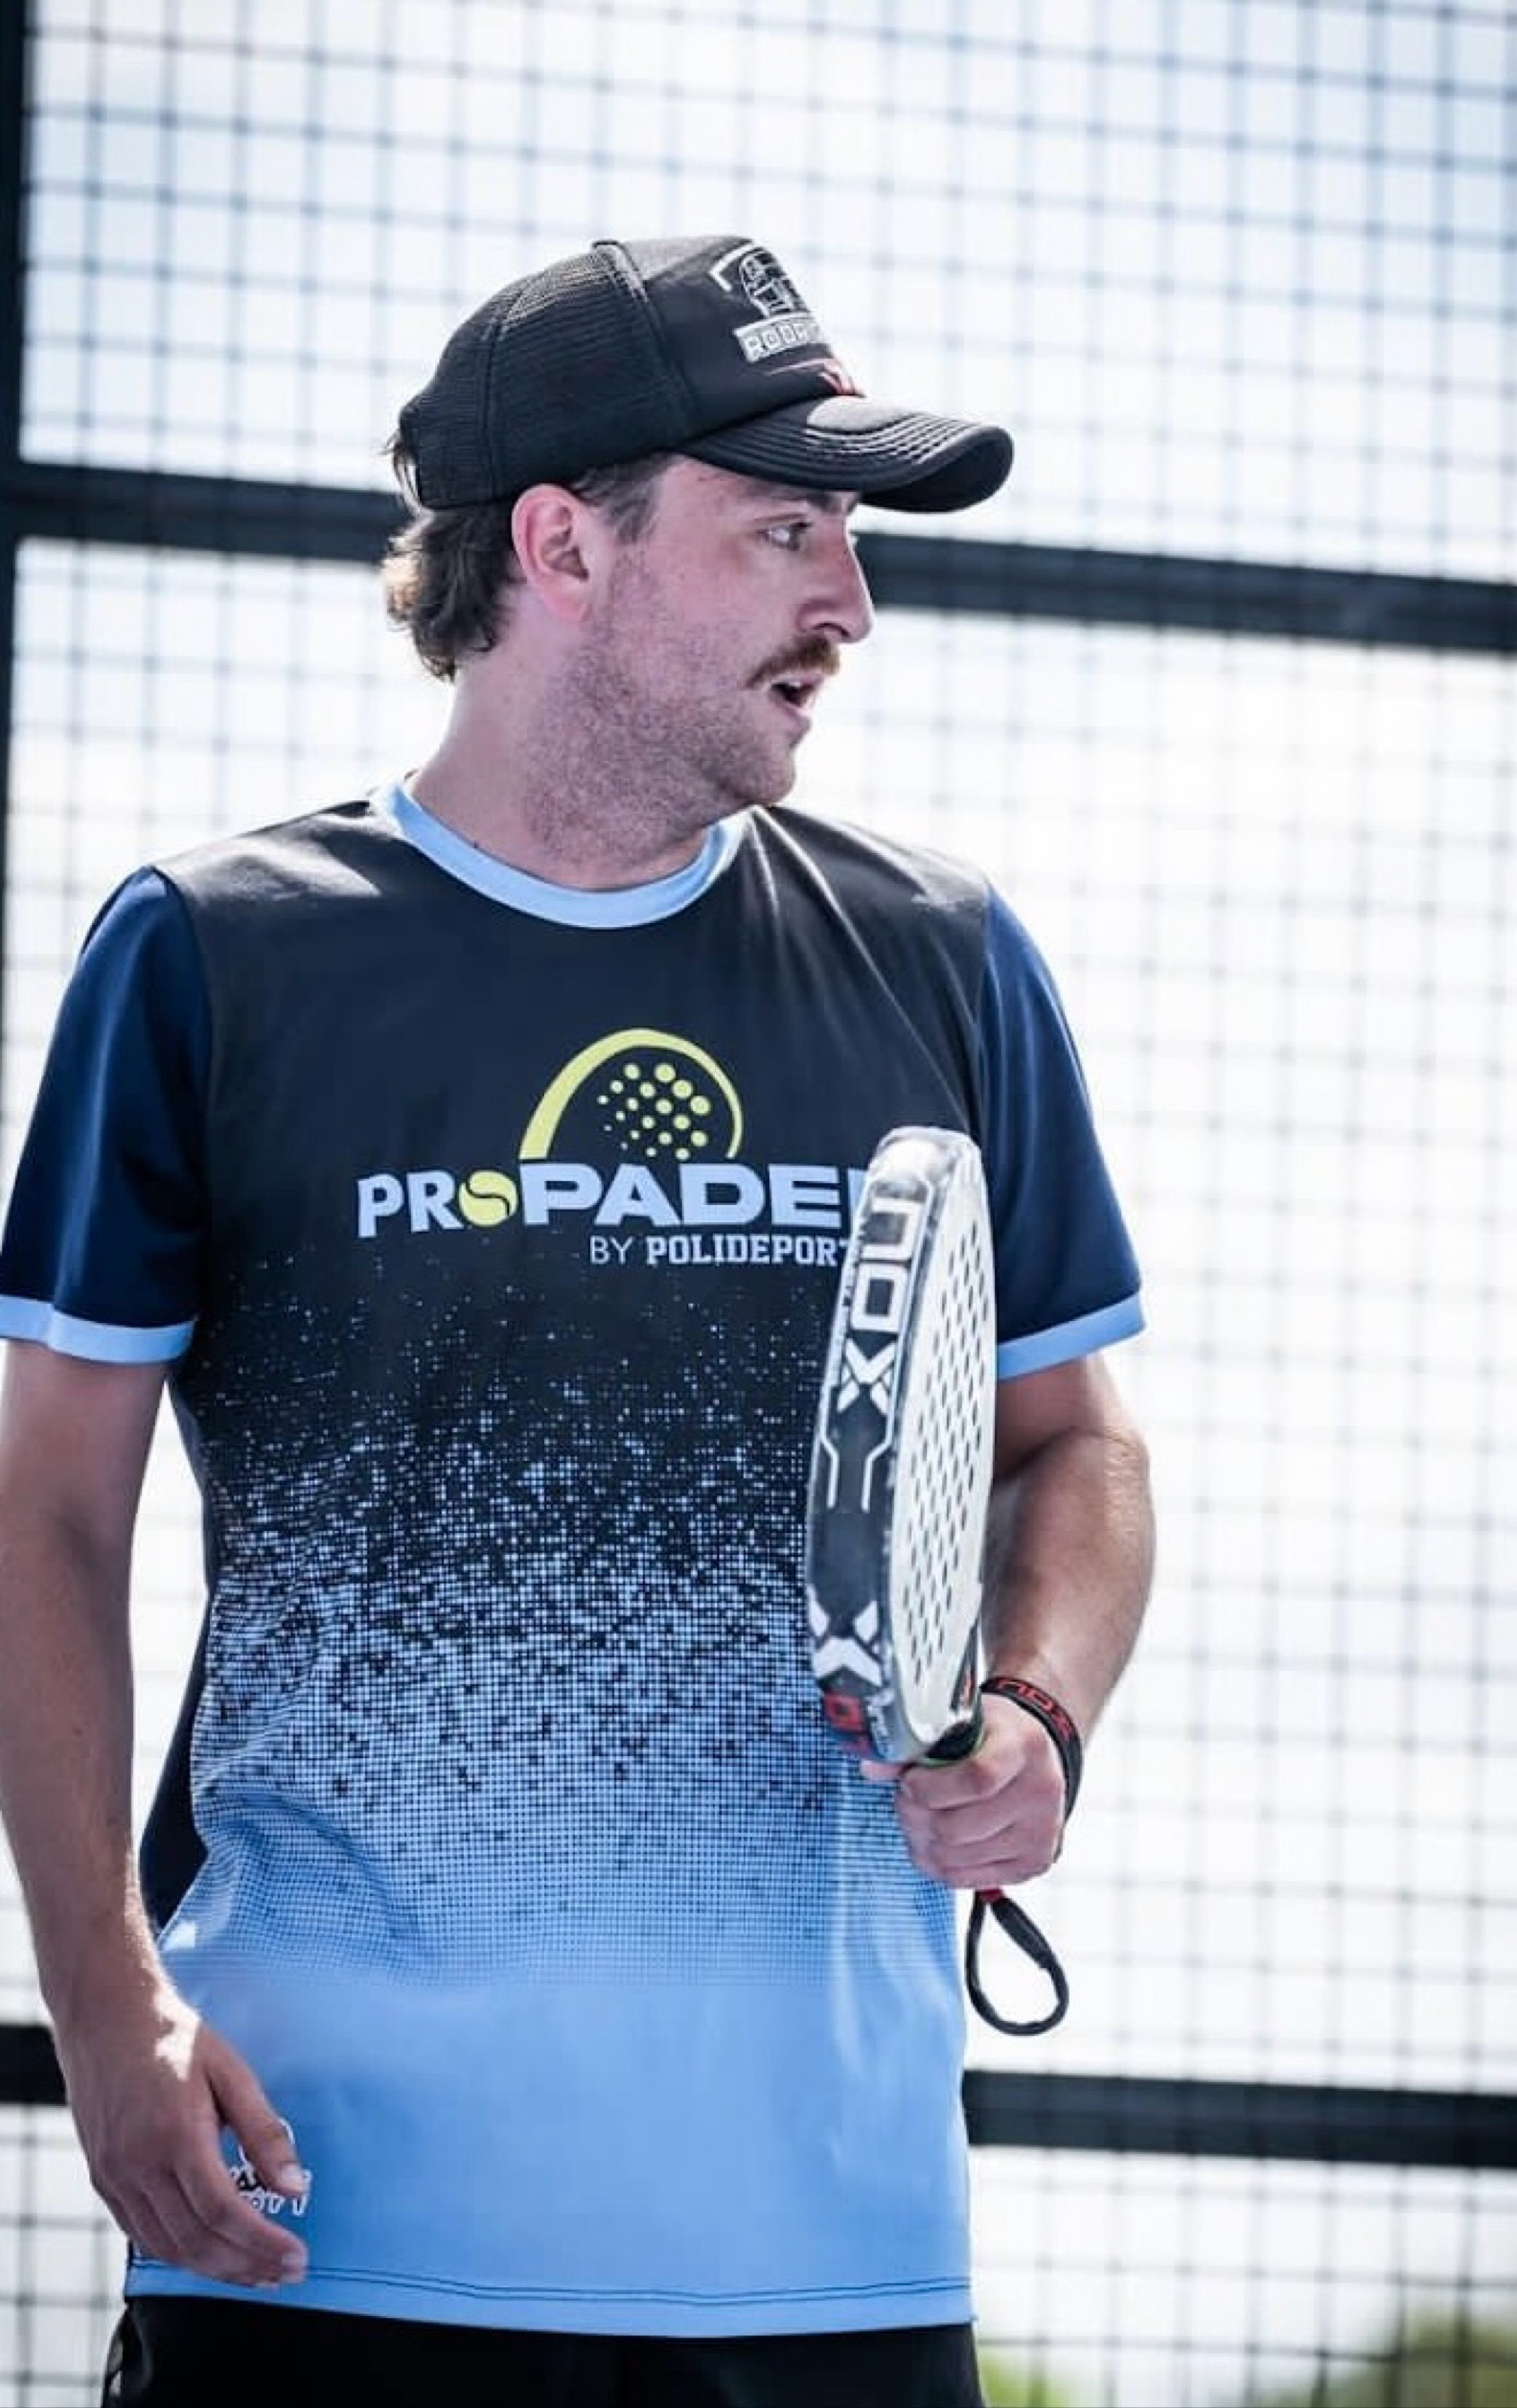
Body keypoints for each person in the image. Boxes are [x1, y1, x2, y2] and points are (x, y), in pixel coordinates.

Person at [0, 234, 1154, 2408]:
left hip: (834, 2253)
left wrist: (1040, 1708)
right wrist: (102, 1997)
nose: (853, 601)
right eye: (786, 528)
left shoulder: (947, 957)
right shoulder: (212, 955)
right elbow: (47, 1509)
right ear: (561, 546)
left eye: (851, 536)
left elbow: (1075, 1444)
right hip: (316, 2228)